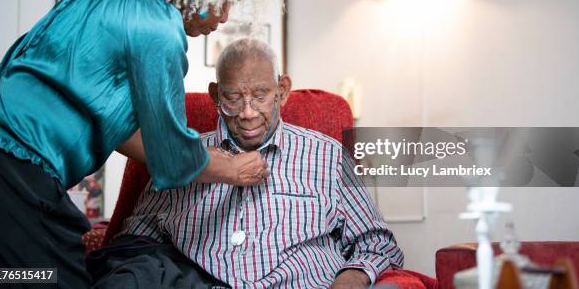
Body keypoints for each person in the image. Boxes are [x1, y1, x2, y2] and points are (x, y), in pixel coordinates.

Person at [0, 0, 274, 287]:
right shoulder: (158, 28)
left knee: (4, 277)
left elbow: (113, 126)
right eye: (224, 0)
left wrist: (202, 156)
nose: (222, 18)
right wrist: (230, 168)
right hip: (15, 170)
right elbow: (172, 159)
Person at [90, 38, 404, 289]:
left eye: (261, 96)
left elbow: (377, 243)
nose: (248, 113)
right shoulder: (184, 157)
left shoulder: (329, 156)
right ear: (215, 95)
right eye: (233, 98)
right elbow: (135, 243)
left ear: (282, 92)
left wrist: (351, 279)